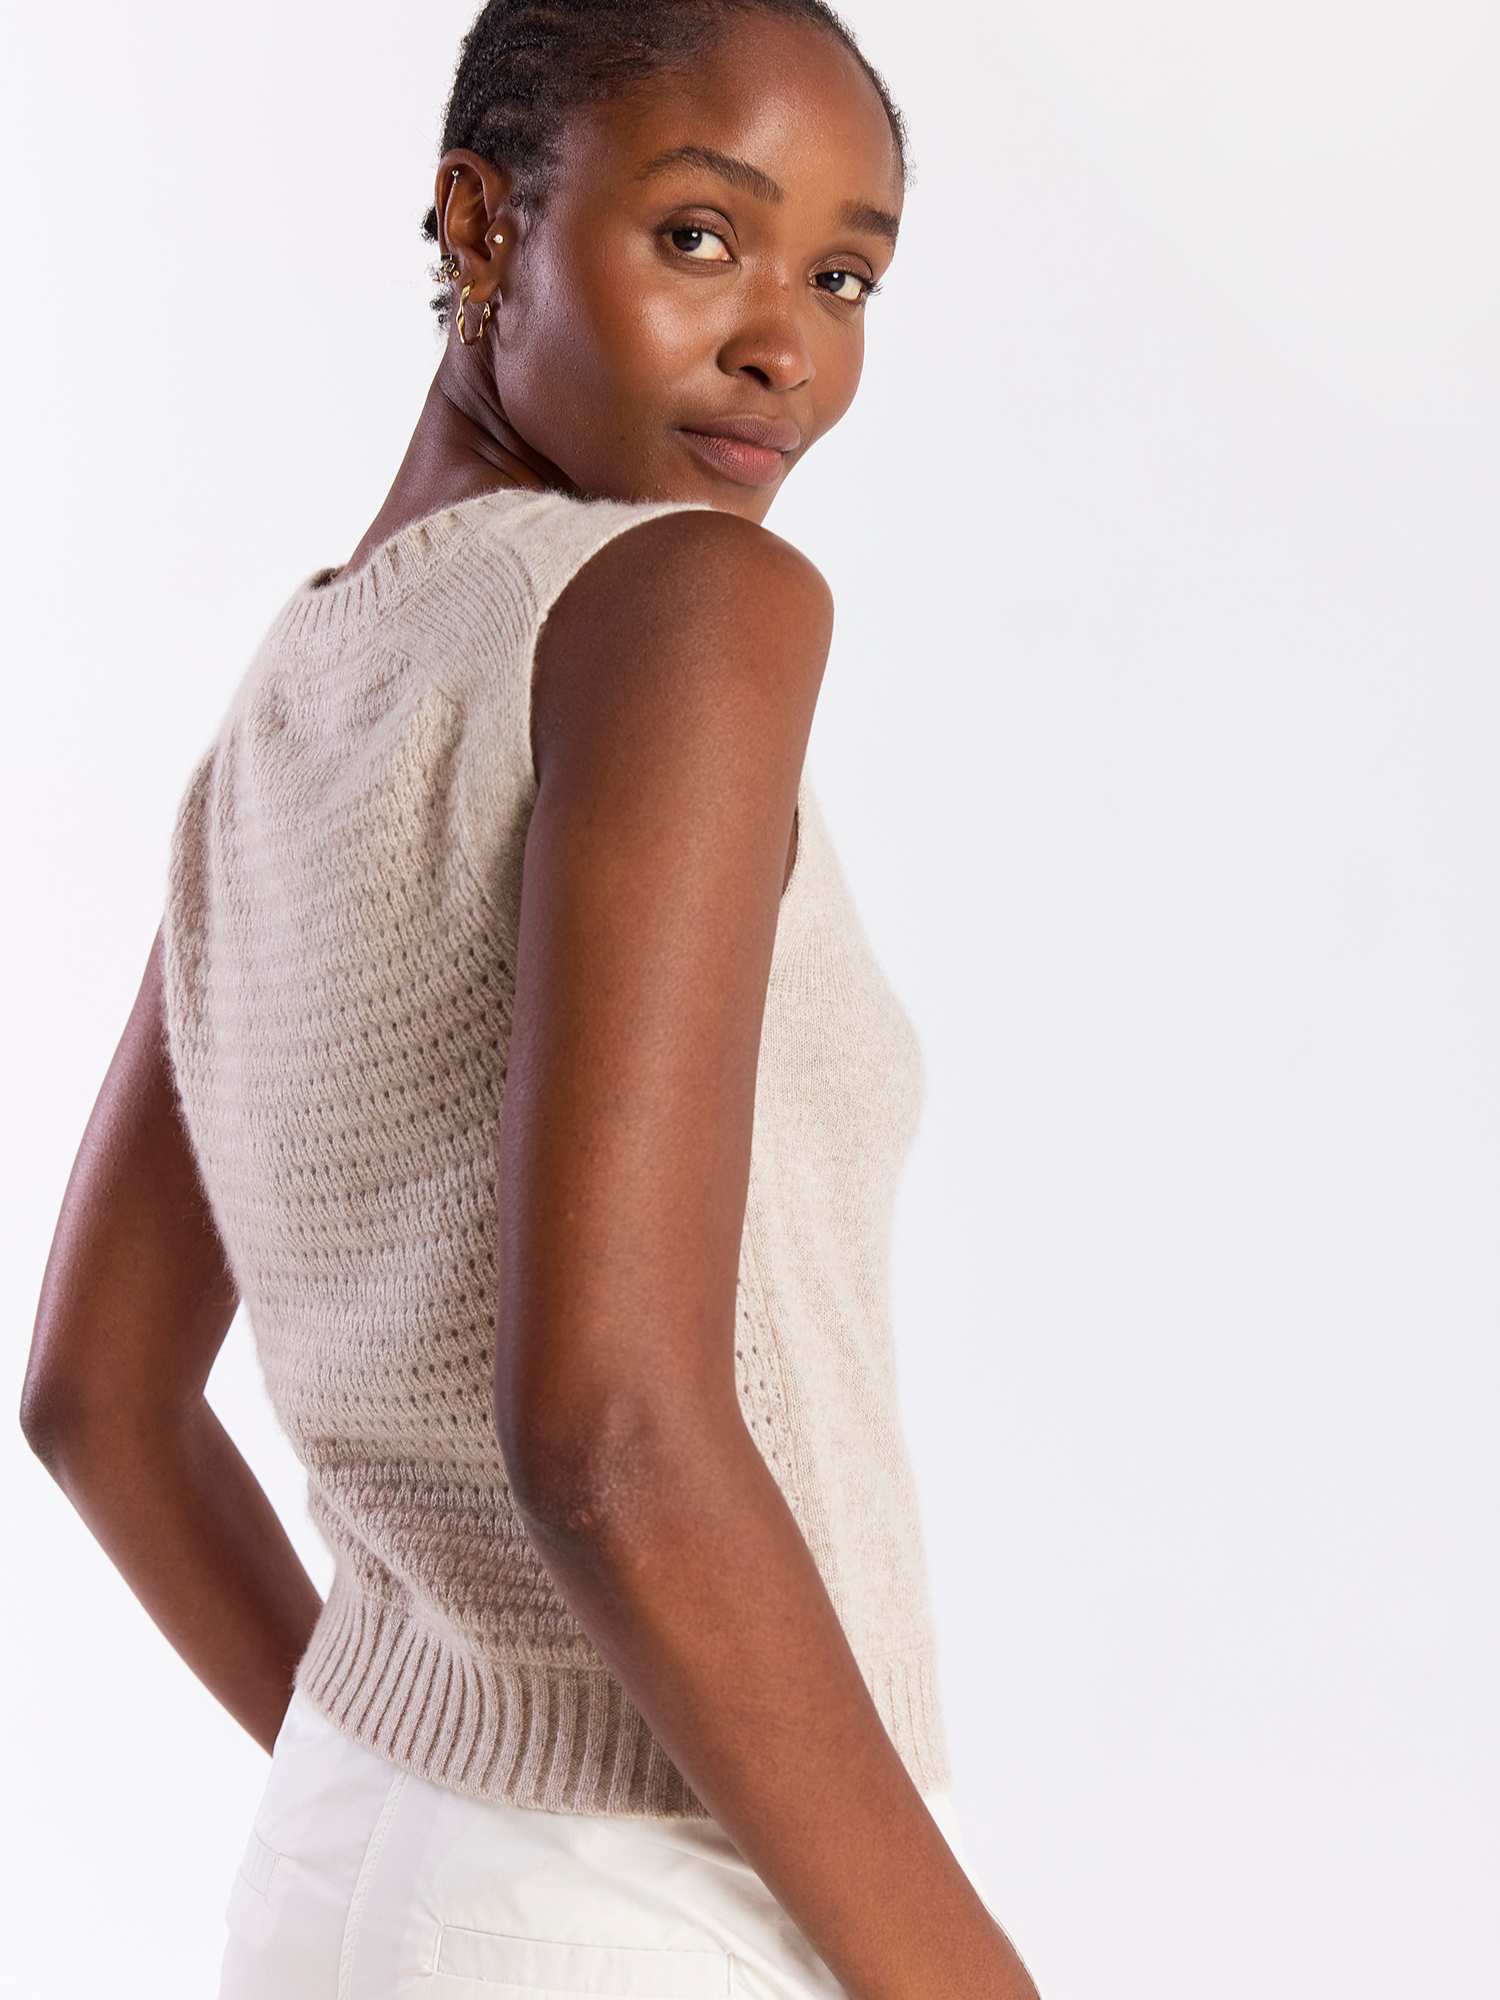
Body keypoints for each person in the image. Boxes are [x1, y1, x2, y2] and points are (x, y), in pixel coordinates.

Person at [21, 3, 1039, 1996]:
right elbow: (612, 1430)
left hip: (346, 1859)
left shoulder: (291, 703)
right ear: (482, 222)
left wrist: (425, 1788)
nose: (786, 345)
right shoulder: (685, 606)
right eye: (700, 238)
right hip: (643, 1904)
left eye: (845, 278)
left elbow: (94, 1394)